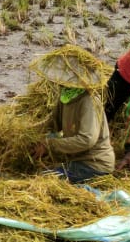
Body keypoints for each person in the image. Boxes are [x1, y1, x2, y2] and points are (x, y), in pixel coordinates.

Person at [29, 50, 115, 183]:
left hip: (95, 164)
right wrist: (30, 135)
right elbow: (52, 123)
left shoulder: (89, 102)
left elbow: (87, 139)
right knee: (37, 171)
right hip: (76, 159)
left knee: (44, 179)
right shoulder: (65, 97)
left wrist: (50, 145)